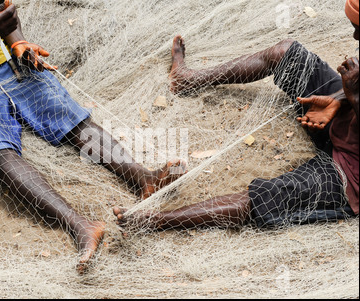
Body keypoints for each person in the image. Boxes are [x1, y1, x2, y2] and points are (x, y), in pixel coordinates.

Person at [0, 0, 187, 272]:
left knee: (69, 119)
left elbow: (3, 15)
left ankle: (142, 177)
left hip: (9, 66)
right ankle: (79, 225)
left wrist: (19, 43)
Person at [114, 0, 358, 231]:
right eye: (355, 29)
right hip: (342, 119)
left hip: (350, 170)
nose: (356, 37)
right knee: (285, 53)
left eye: (358, 29)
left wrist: (354, 96)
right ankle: (187, 80)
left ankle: (154, 220)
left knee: (265, 197)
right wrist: (338, 99)